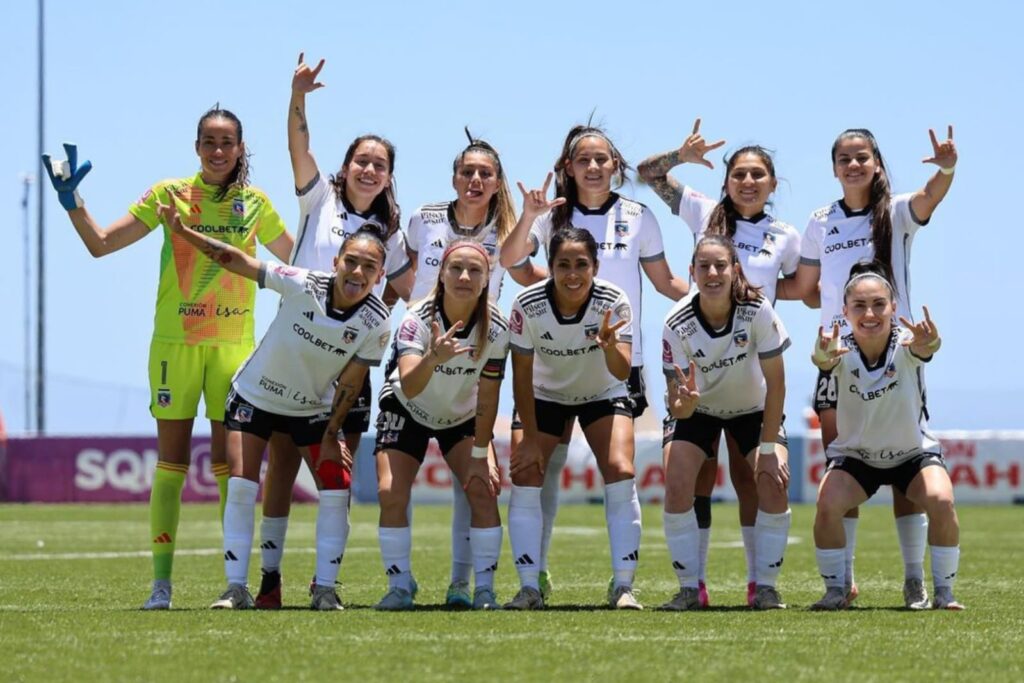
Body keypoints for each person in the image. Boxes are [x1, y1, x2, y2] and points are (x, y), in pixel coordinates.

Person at [41, 107, 294, 610]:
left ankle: (234, 582)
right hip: (173, 347)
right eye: (208, 141)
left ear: (241, 149)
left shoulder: (255, 203)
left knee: (231, 466)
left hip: (233, 350)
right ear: (196, 147)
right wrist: (73, 203)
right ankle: (161, 586)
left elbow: (296, 268)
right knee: (171, 465)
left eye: (227, 142)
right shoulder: (168, 194)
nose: (218, 151)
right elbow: (102, 244)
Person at [158, 197, 392, 610]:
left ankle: (324, 589)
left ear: (380, 275)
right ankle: (235, 588)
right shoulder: (302, 282)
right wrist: (182, 232)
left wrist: (334, 430)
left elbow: (352, 382)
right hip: (254, 397)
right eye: (351, 261)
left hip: (310, 408)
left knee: (337, 489)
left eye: (369, 267)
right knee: (244, 485)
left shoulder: (377, 321)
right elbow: (236, 260)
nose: (357, 272)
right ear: (336, 260)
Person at [500, 124, 688, 600]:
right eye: (583, 159)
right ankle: (532, 578)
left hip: (617, 361)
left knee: (619, 467)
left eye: (602, 159)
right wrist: (531, 221)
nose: (594, 167)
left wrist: (722, 301)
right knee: (537, 469)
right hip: (553, 363)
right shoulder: (552, 215)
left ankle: (623, 586)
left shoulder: (638, 215)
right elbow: (515, 263)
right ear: (569, 166)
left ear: (615, 166)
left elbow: (666, 283)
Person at [253, 53, 414, 609]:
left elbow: (407, 286)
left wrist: (374, 320)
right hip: (293, 356)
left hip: (346, 365)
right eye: (361, 161)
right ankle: (269, 581)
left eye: (380, 164)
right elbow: (298, 147)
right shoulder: (318, 197)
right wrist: (297, 95)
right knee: (279, 476)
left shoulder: (390, 232)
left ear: (390, 176)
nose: (369, 170)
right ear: (345, 168)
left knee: (335, 476)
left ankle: (326, 585)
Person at [788, 126, 957, 608]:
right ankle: (844, 580)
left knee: (903, 453)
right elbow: (804, 287)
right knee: (843, 460)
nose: (854, 165)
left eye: (862, 157)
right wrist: (746, 286)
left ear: (876, 163)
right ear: (835, 168)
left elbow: (932, 195)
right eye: (844, 158)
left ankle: (914, 579)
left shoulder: (896, 211)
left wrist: (947, 167)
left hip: (895, 352)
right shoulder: (821, 221)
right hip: (835, 358)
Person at [638, 118, 801, 606]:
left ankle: (763, 586)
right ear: (726, 180)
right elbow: (646, 172)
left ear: (772, 184)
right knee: (688, 476)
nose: (748, 182)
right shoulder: (705, 213)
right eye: (739, 174)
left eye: (758, 175)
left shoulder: (787, 237)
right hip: (700, 375)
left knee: (759, 479)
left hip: (750, 377)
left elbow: (803, 287)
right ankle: (693, 588)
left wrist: (758, 306)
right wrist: (679, 157)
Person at [404, 132, 543, 608]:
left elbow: (517, 266)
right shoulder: (422, 219)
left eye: (486, 173)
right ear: (454, 177)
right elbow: (401, 278)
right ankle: (401, 582)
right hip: (420, 350)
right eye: (468, 172)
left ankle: (465, 584)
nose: (476, 180)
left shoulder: (510, 228)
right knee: (394, 481)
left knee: (475, 479)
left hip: (476, 358)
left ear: (497, 181)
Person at [810, 265, 962, 610]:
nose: (870, 313)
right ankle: (836, 589)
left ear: (893, 306)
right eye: (859, 306)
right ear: (845, 311)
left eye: (879, 304)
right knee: (827, 505)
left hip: (911, 454)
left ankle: (941, 592)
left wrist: (931, 341)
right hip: (858, 457)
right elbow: (822, 360)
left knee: (942, 500)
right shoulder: (838, 347)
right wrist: (821, 358)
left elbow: (926, 349)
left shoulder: (907, 342)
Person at [505, 227, 642, 610]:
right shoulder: (526, 304)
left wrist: (610, 346)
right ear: (549, 267)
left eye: (581, 264)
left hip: (602, 391)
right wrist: (529, 438)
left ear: (595, 266)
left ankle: (624, 586)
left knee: (620, 467)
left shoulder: (614, 301)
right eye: (563, 264)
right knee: (526, 471)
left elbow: (620, 372)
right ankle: (530, 586)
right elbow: (520, 375)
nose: (572, 273)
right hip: (544, 395)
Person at [373, 241, 508, 611]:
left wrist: (481, 455)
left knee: (483, 490)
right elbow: (412, 385)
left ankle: (484, 590)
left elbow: (489, 396)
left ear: (487, 280)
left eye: (475, 270)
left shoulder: (497, 328)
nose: (465, 277)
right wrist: (434, 356)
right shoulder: (416, 318)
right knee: (390, 493)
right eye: (456, 269)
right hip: (408, 406)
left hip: (460, 414)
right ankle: (400, 586)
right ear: (442, 275)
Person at [660, 235, 791, 610]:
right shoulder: (676, 323)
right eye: (704, 266)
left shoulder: (757, 309)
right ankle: (690, 588)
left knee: (772, 480)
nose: (713, 273)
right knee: (678, 479)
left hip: (751, 409)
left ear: (735, 270)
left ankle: (764, 587)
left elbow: (777, 383)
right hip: (699, 412)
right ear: (692, 272)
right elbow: (677, 403)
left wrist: (768, 451)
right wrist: (684, 404)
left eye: (721, 265)